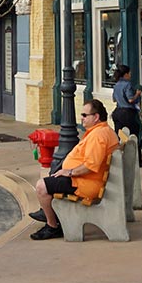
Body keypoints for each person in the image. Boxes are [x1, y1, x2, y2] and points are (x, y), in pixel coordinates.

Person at [30, 99, 119, 240]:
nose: (81, 118)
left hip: (86, 183)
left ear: (96, 117)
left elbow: (91, 165)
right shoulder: (101, 131)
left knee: (41, 186)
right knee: (53, 176)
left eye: (84, 115)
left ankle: (52, 226)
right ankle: (48, 212)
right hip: (85, 179)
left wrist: (69, 172)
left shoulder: (98, 136)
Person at [110, 65, 142, 168]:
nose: (130, 75)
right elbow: (130, 99)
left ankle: (118, 159)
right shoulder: (127, 85)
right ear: (126, 74)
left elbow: (114, 99)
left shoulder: (116, 85)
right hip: (128, 113)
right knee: (135, 136)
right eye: (129, 73)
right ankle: (138, 160)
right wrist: (138, 94)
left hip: (118, 112)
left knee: (119, 136)